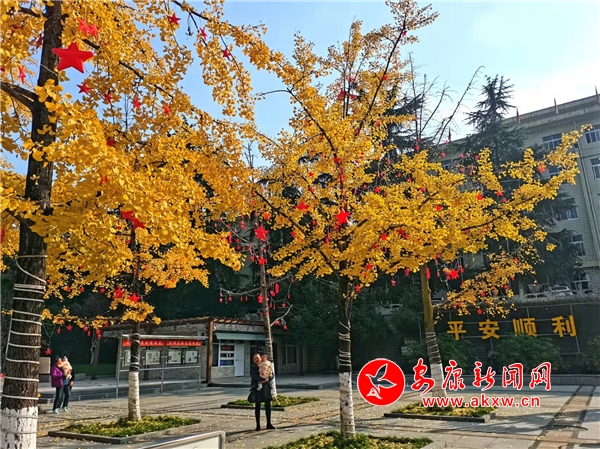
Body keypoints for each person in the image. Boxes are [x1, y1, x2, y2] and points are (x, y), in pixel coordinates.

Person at [250, 353, 275, 431]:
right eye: (255, 358)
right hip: (257, 389)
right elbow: (254, 377)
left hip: (266, 388)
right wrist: (262, 379)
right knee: (257, 407)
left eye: (257, 358)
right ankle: (258, 425)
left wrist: (268, 378)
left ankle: (269, 423)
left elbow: (272, 374)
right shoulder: (253, 367)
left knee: (268, 406)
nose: (256, 360)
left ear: (260, 358)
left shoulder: (265, 365)